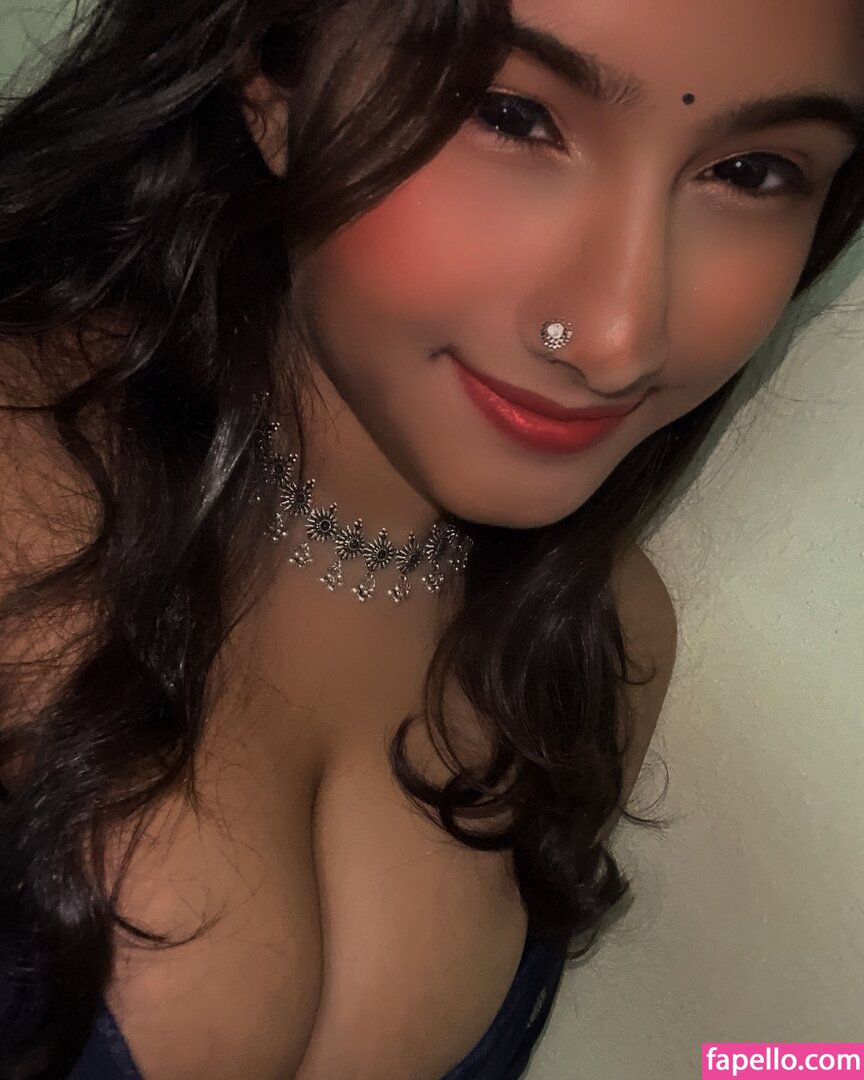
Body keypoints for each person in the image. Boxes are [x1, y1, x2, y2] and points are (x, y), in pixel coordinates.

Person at [0, 0, 862, 1076]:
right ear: (272, 73)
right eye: (511, 116)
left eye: (750, 173)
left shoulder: (599, 650)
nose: (615, 339)